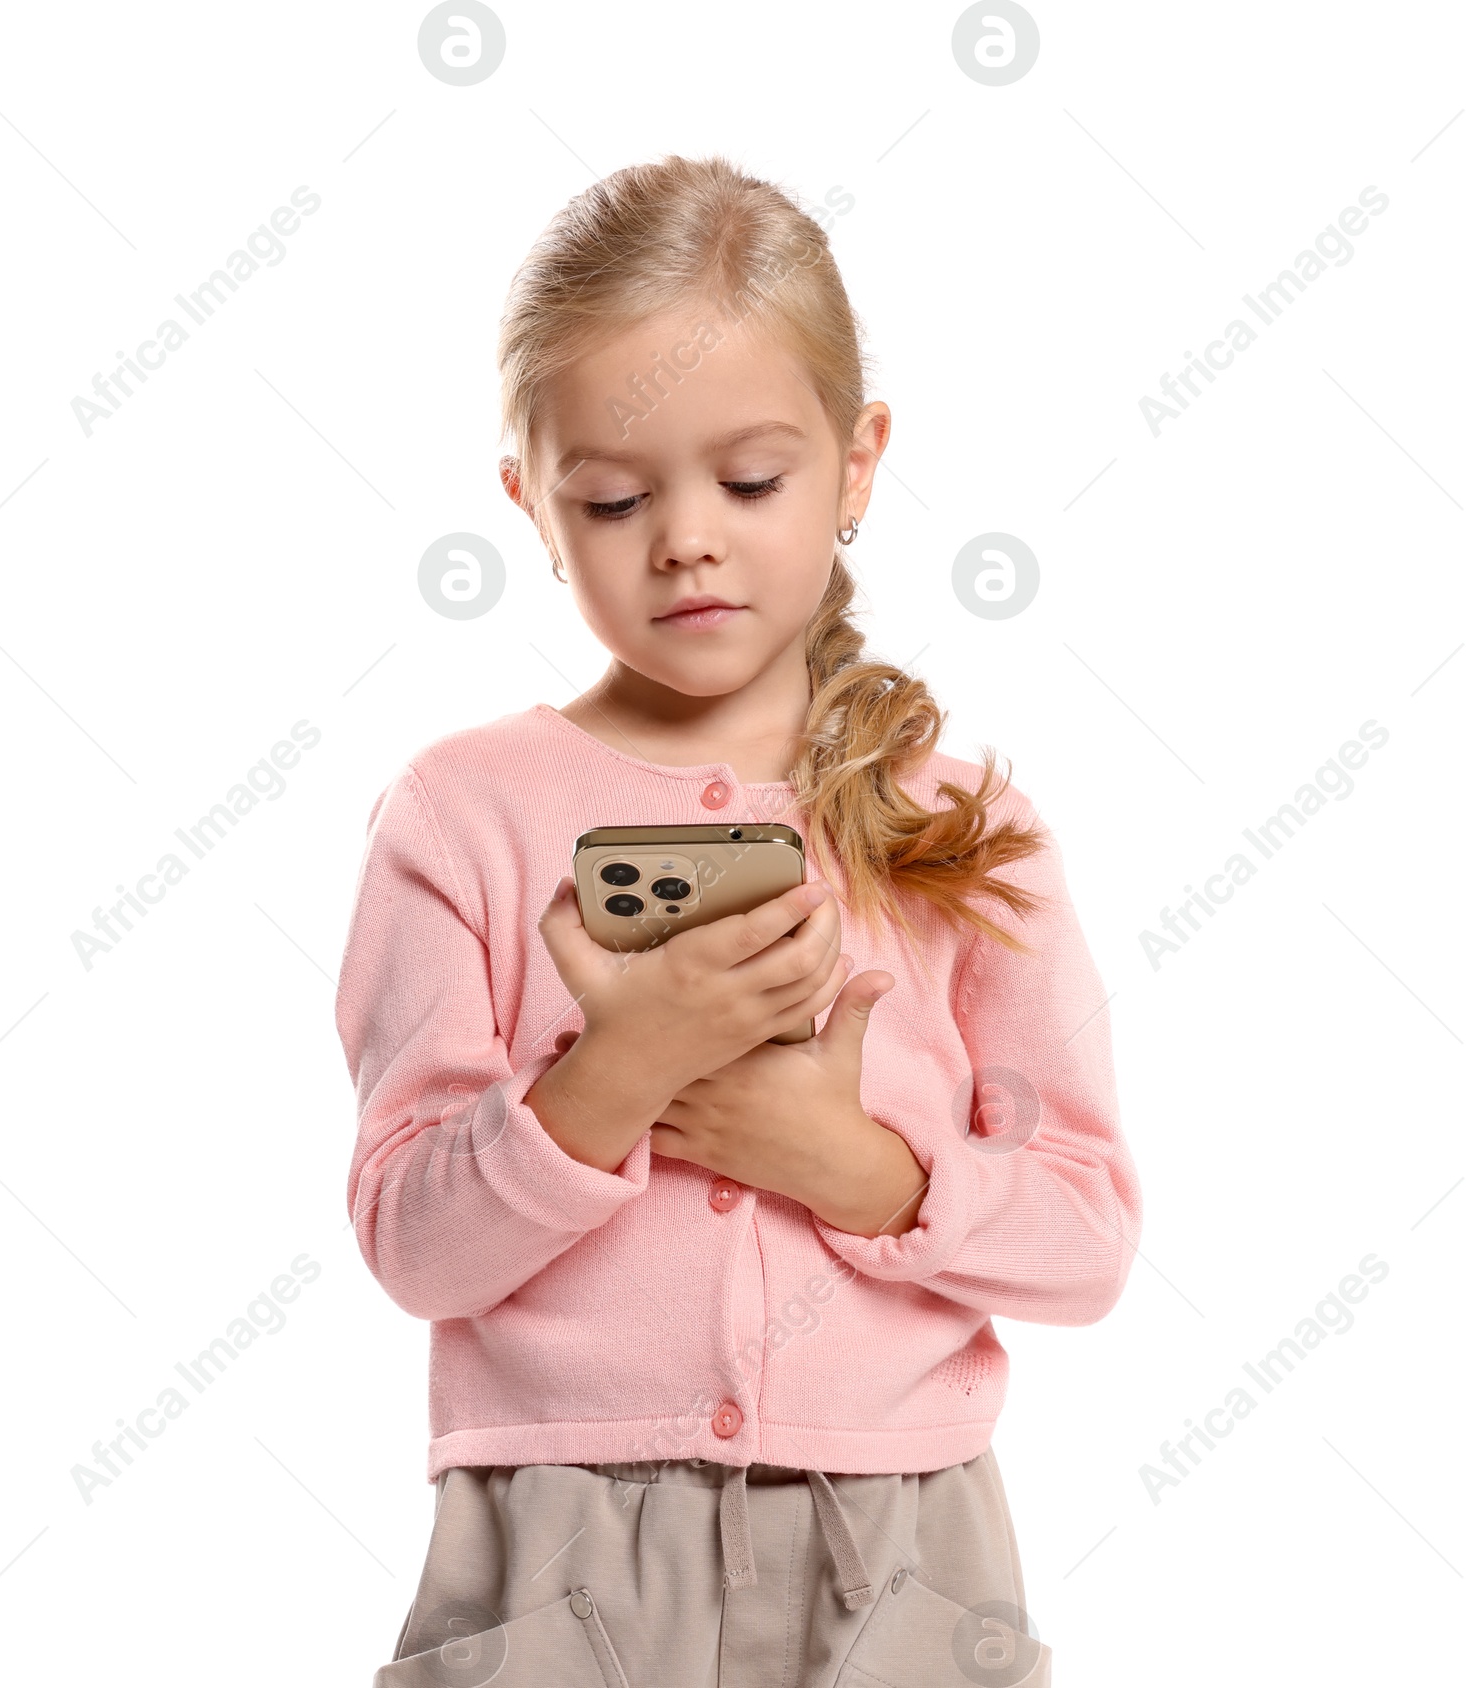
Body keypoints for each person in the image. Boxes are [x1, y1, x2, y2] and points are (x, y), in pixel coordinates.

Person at [335, 152, 1141, 1688]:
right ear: (531, 500)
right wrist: (614, 1075)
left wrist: (859, 1169)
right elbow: (414, 1247)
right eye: (616, 497)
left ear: (858, 464)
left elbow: (1089, 1238)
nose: (686, 538)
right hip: (556, 1532)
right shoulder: (459, 815)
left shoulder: (963, 833)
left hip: (899, 1529)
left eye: (751, 481)